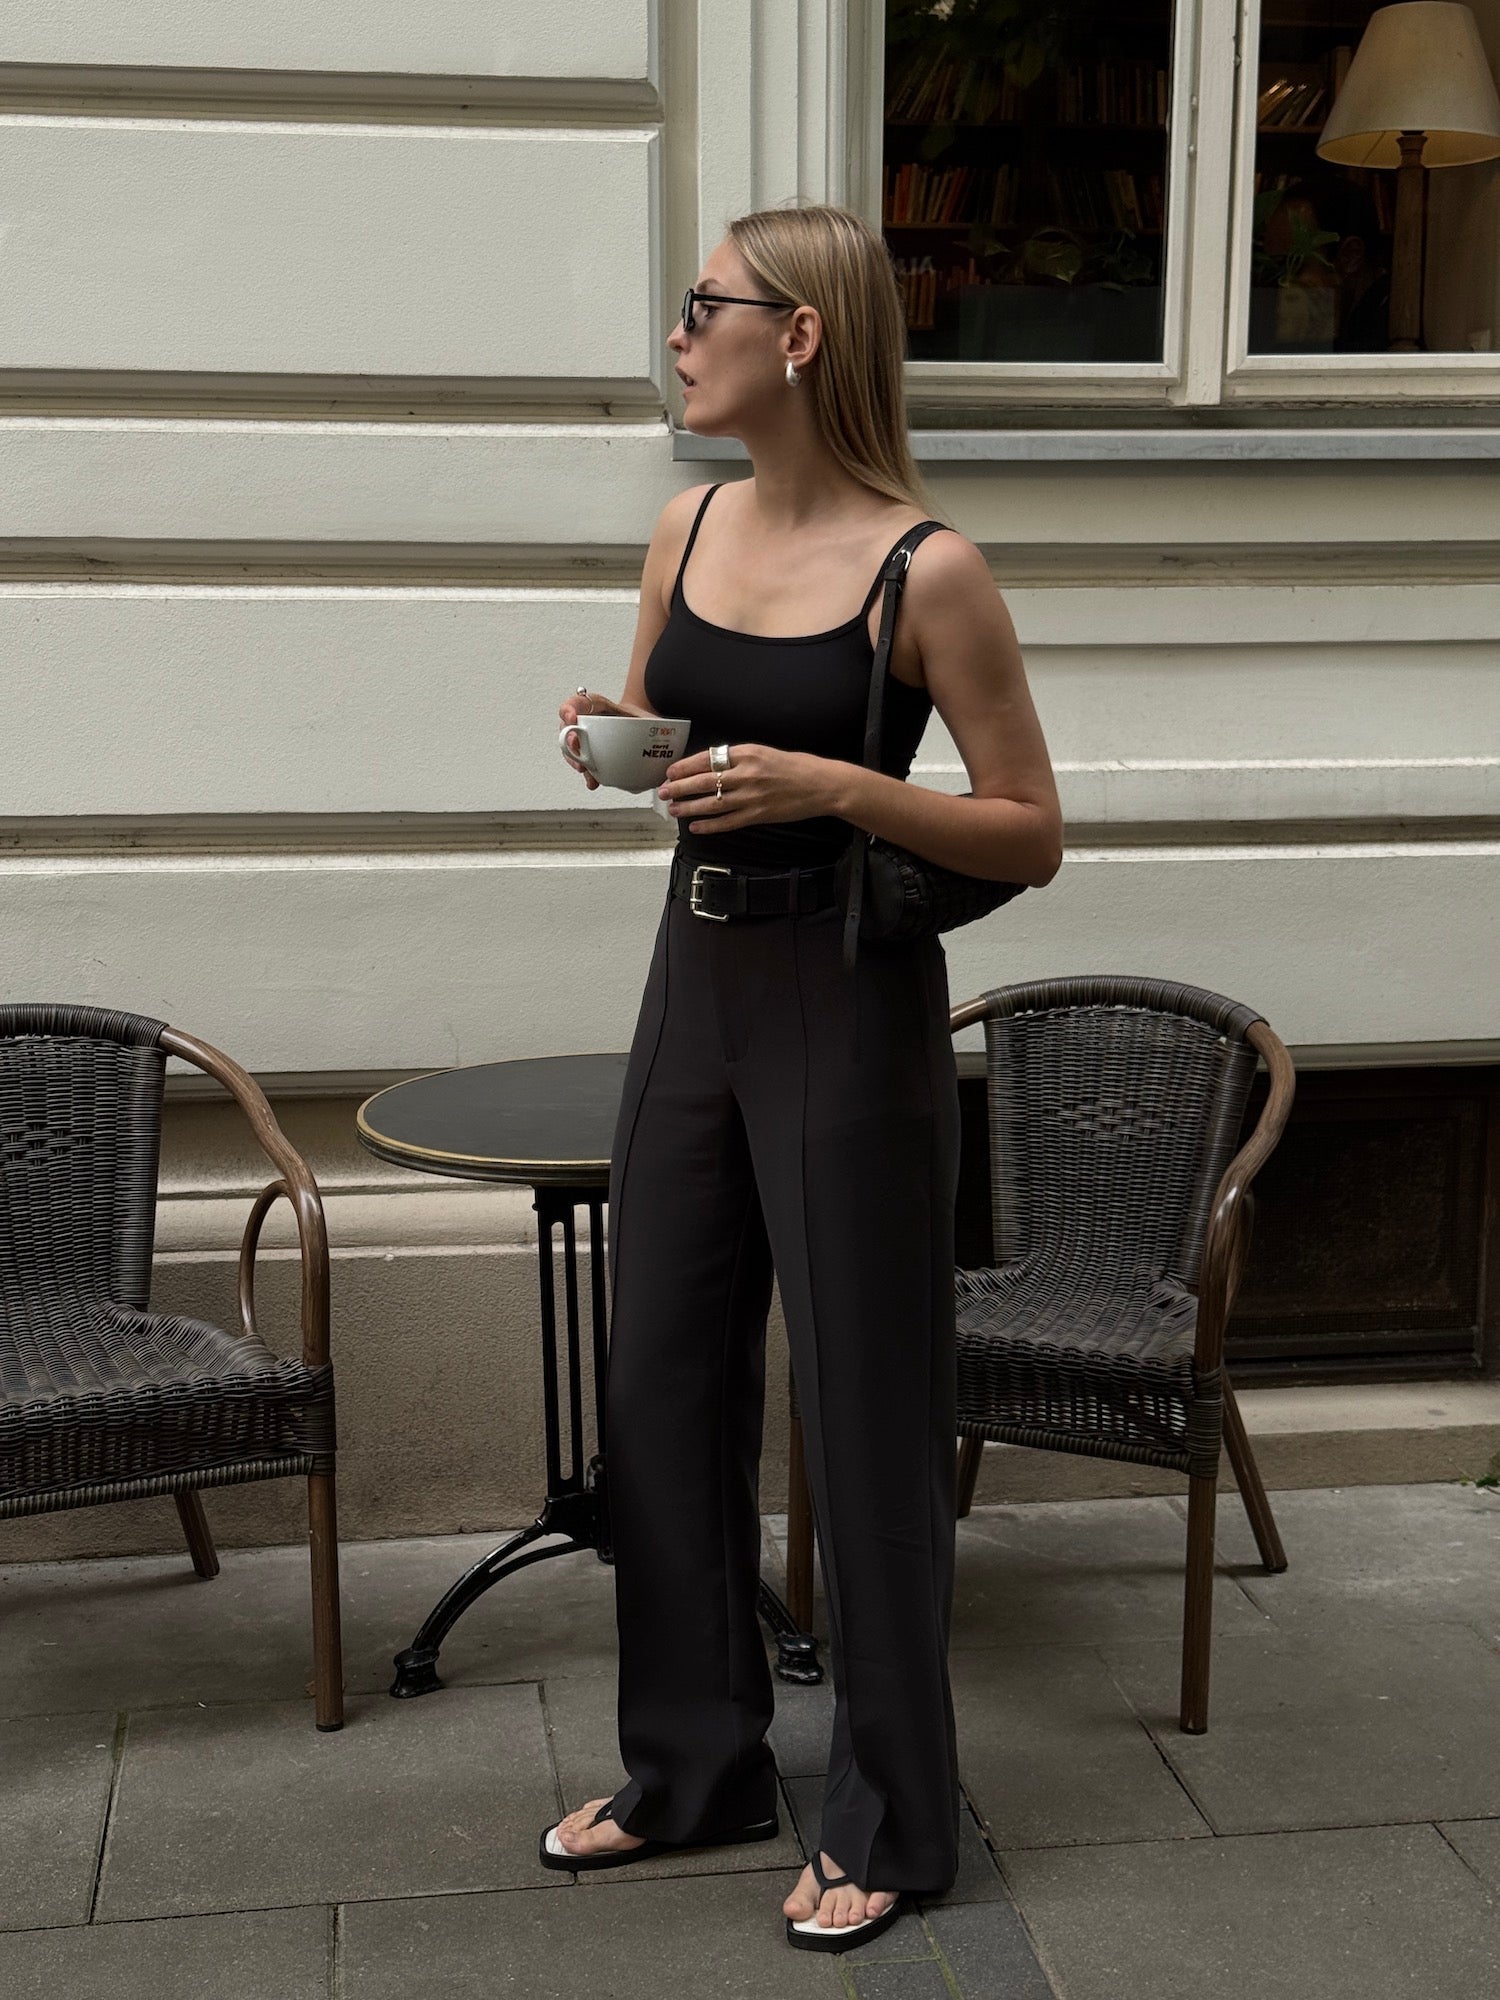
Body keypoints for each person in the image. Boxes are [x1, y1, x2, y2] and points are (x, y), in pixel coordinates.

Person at [543, 201, 1062, 1952]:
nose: (679, 332)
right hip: (694, 979)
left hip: (849, 996)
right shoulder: (684, 524)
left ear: (805, 334)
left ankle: (895, 1817)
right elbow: (670, 733)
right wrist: (615, 748)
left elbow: (1030, 830)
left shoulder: (931, 572)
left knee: (865, 1406)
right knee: (663, 1381)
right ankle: (694, 1767)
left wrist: (836, 786)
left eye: (707, 305)